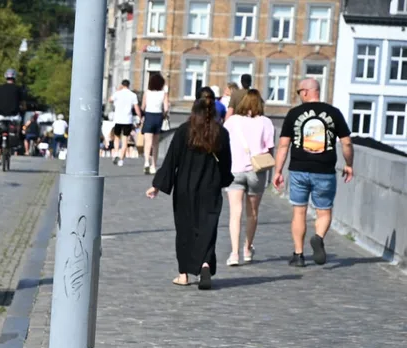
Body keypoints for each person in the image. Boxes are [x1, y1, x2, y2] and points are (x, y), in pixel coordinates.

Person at [147, 95, 233, 288]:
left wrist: (157, 185)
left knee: (185, 229)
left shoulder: (184, 131)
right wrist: (225, 181)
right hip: (210, 187)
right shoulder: (221, 133)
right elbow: (226, 163)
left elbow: (172, 160)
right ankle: (204, 265)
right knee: (207, 228)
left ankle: (183, 274)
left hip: (185, 187)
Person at [274, 77, 353, 267]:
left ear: (307, 91)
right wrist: (349, 164)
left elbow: (283, 145)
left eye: (299, 91)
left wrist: (278, 171)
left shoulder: (294, 114)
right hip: (324, 170)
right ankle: (318, 237)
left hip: (299, 170)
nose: (299, 95)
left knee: (299, 212)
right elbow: (347, 142)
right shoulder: (334, 113)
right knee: (324, 212)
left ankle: (298, 255)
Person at [222, 88, 274, 266]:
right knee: (252, 213)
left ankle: (234, 253)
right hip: (257, 171)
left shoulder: (232, 121)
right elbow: (269, 150)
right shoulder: (266, 122)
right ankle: (247, 248)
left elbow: (223, 145)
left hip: (234, 170)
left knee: (235, 213)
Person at [0, 68, 25, 166]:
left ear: (6, 77)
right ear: (14, 78)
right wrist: (22, 108)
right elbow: (23, 103)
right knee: (18, 125)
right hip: (13, 116)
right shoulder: (18, 89)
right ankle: (16, 140)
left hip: (0, 115)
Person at [140, 71, 167, 175]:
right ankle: (153, 166)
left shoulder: (147, 93)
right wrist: (164, 115)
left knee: (147, 142)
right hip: (158, 117)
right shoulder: (163, 94)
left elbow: (143, 107)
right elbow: (166, 108)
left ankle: (146, 162)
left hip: (149, 116)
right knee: (155, 144)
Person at [109, 79, 140, 166]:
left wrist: (118, 91)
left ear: (122, 85)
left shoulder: (118, 93)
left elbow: (110, 100)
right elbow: (136, 108)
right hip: (127, 119)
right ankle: (121, 159)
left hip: (118, 119)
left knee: (116, 137)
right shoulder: (132, 95)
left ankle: (115, 154)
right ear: (128, 85)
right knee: (125, 140)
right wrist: (140, 116)